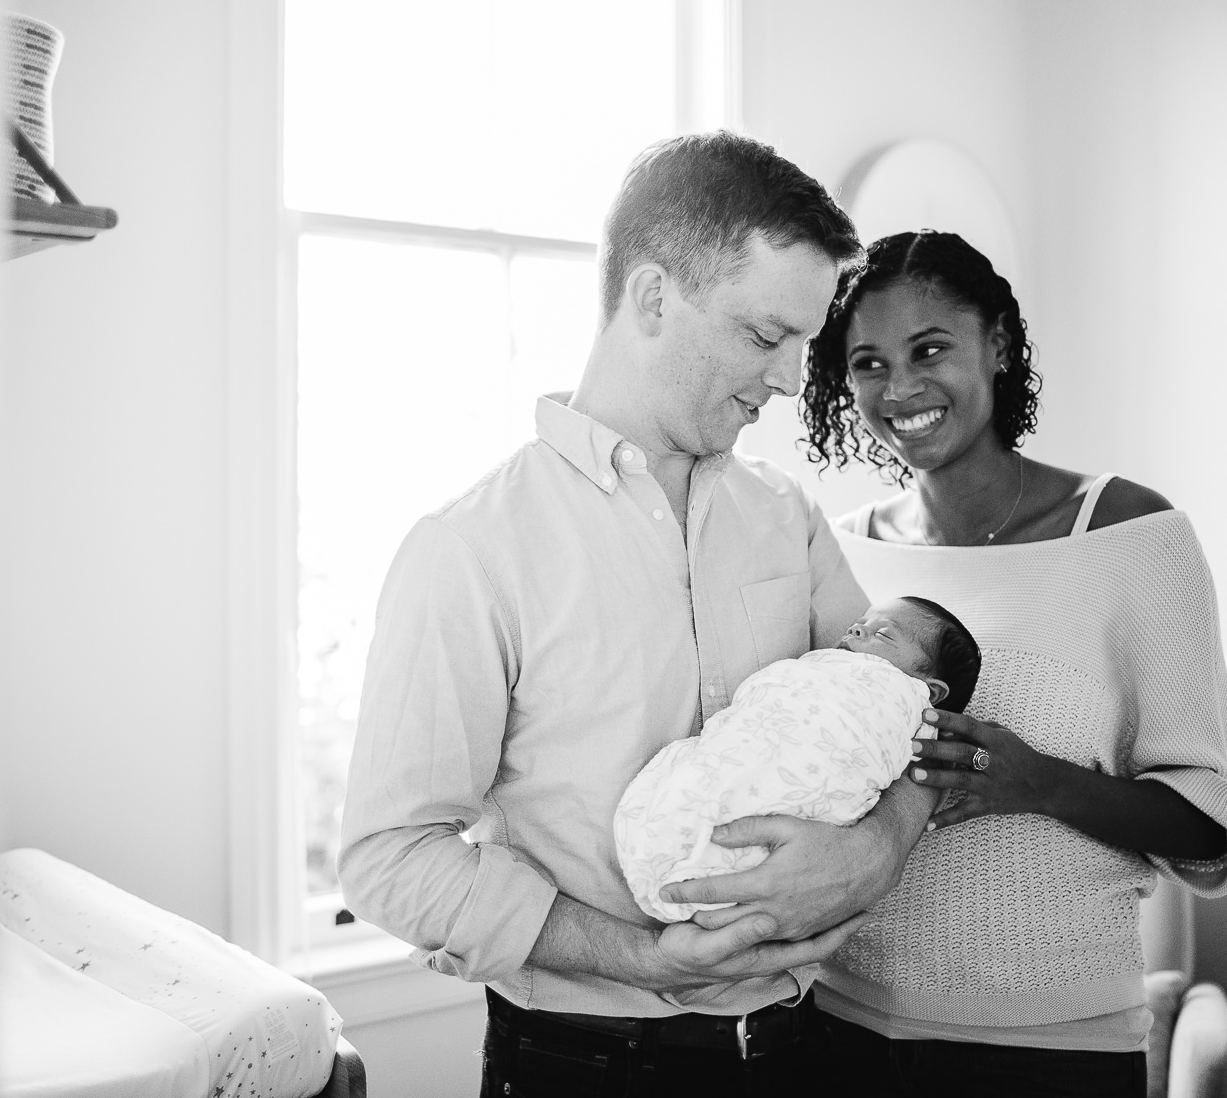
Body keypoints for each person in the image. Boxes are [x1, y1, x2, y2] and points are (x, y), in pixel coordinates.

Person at [337, 132, 938, 1097]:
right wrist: (640, 958)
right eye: (764, 336)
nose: (792, 381)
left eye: (804, 343)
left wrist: (885, 841)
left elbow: (902, 715)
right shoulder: (471, 550)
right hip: (584, 1068)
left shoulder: (787, 518)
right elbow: (387, 858)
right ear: (654, 296)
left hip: (798, 1052)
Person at [791, 229, 1227, 1095]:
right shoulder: (842, 554)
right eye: (868, 364)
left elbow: (1207, 826)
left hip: (1051, 1050)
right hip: (838, 1028)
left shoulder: (1129, 535)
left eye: (930, 349)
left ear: (997, 344)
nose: (901, 388)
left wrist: (1037, 781)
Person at [617, 597, 981, 926]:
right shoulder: (821, 667)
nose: (857, 629)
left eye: (882, 635)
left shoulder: (902, 700)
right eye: (860, 622)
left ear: (930, 691)